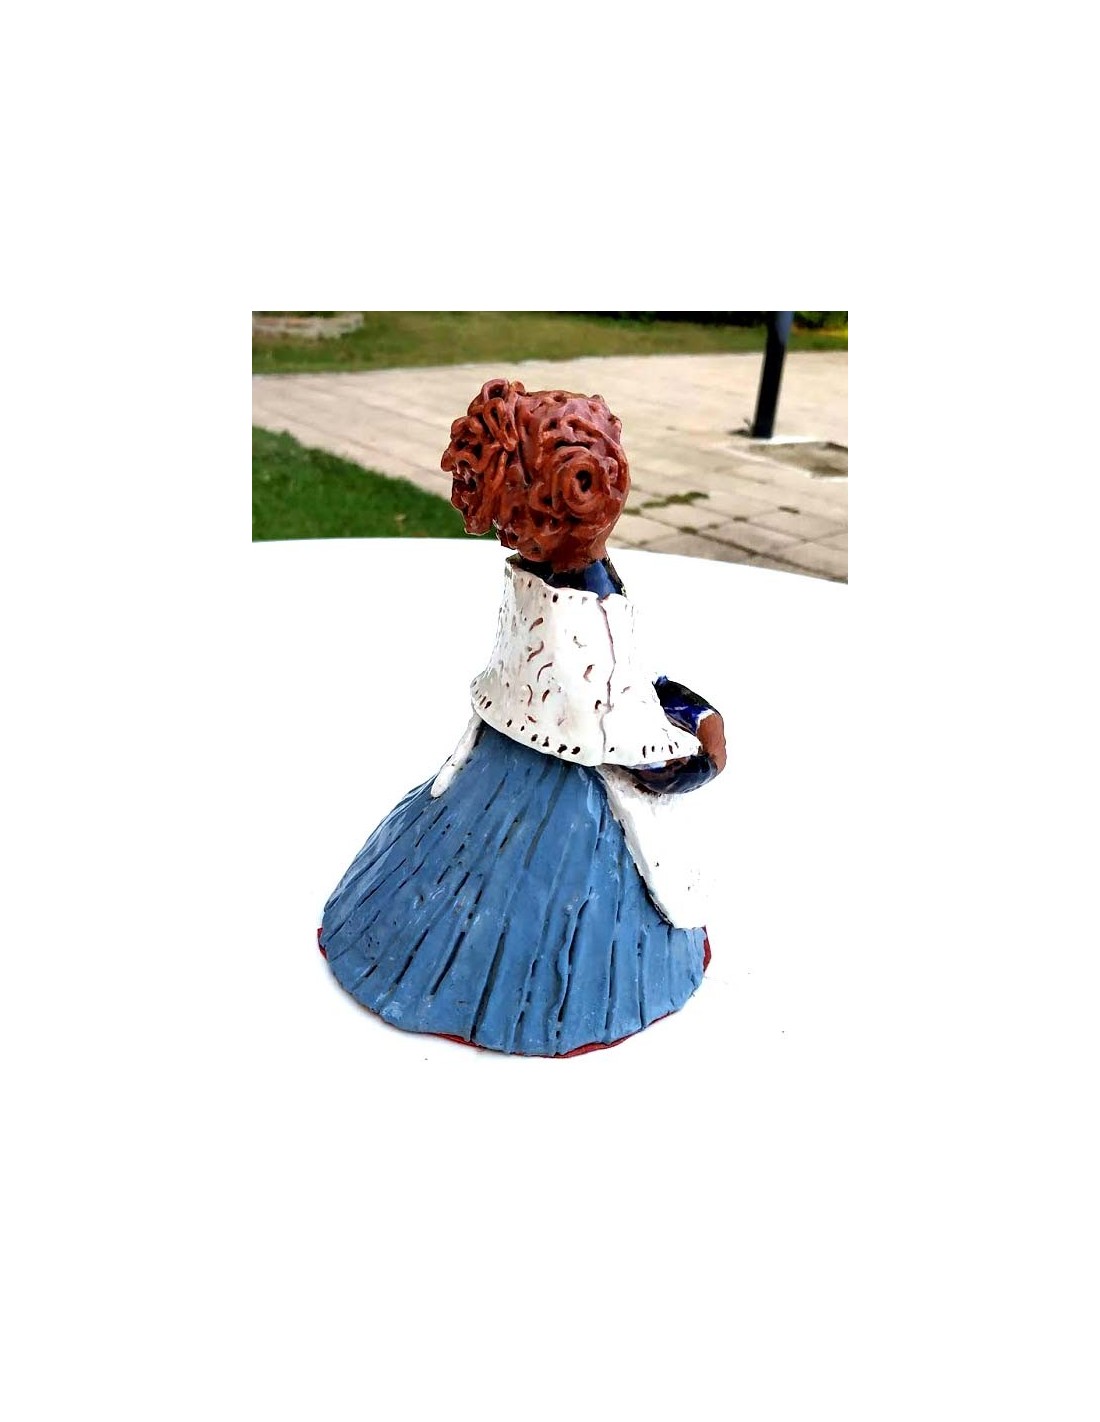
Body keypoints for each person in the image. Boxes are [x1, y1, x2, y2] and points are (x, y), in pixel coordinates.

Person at [319, 379, 726, 1056]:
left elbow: (625, 687)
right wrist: (704, 752)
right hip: (565, 803)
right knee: (554, 930)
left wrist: (685, 710)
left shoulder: (541, 589)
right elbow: (623, 740)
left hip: (501, 759)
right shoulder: (576, 618)